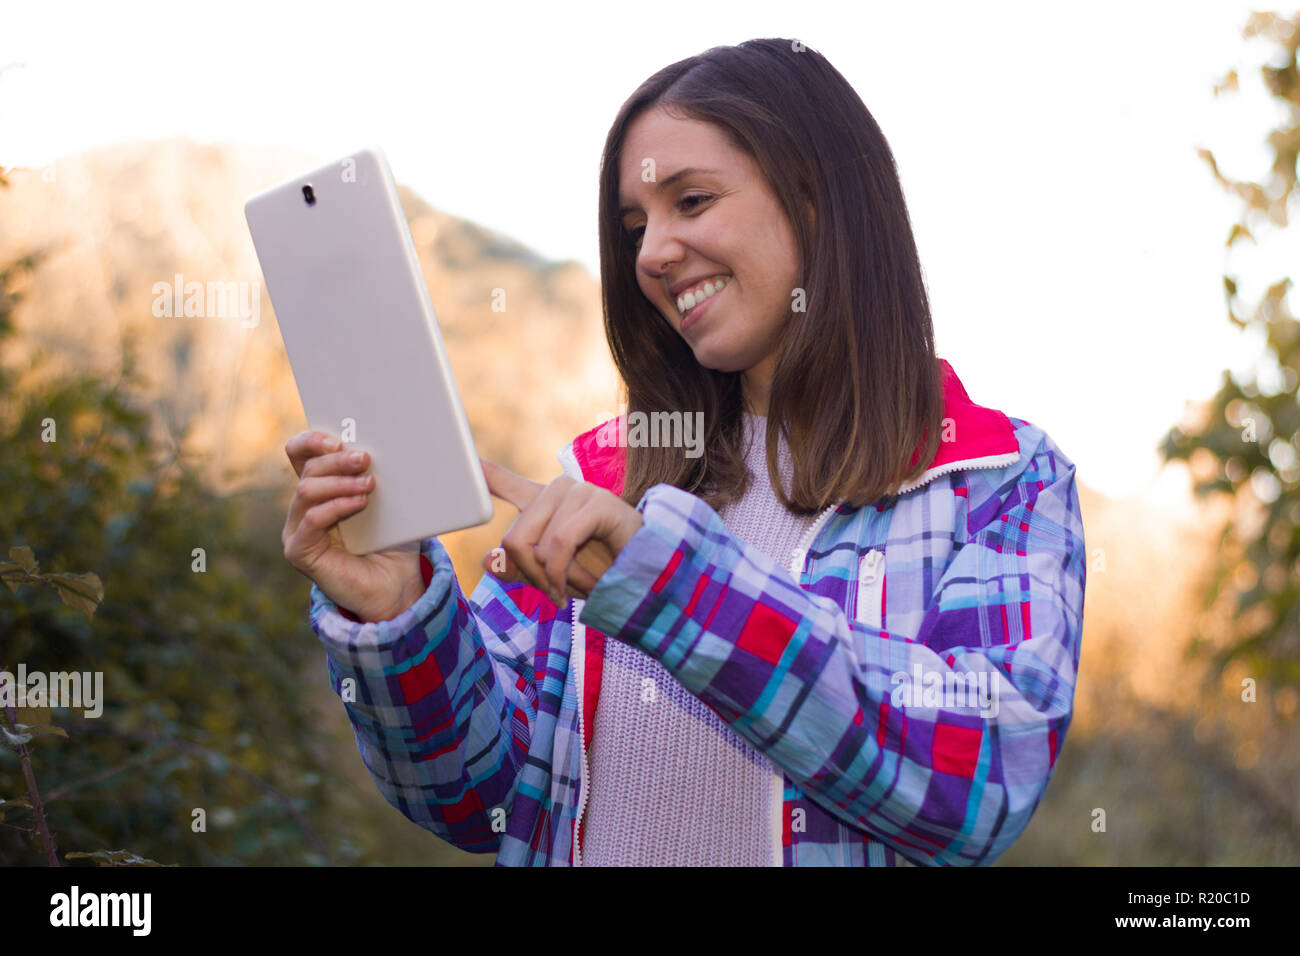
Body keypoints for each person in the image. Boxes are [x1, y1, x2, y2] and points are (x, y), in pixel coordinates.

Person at [282, 38, 1087, 866]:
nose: (650, 254)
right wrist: (398, 612)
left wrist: (668, 584)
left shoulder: (999, 480)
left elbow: (976, 782)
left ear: (819, 199)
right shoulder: (600, 475)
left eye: (691, 201)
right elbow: (472, 796)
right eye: (634, 226)